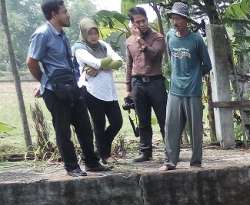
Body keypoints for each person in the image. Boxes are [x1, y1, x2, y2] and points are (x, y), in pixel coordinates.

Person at [26, 0, 109, 177]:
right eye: (64, 11)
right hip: (55, 91)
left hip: (71, 86)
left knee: (85, 127)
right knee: (63, 130)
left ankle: (92, 163)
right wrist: (44, 83)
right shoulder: (42, 34)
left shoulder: (62, 34)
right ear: (54, 14)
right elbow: (31, 62)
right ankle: (71, 167)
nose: (68, 14)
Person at [161, 2, 211, 171]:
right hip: (175, 89)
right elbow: (171, 59)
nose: (176, 21)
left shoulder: (196, 39)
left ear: (186, 20)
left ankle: (196, 162)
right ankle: (170, 161)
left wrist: (195, 76)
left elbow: (207, 64)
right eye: (174, 18)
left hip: (193, 90)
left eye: (180, 18)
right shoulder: (169, 37)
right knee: (170, 126)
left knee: (195, 128)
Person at [72, 18, 123, 164]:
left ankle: (100, 148)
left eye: (95, 33)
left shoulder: (103, 45)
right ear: (84, 33)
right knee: (99, 124)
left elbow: (119, 62)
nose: (94, 36)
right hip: (91, 91)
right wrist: (103, 63)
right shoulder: (79, 48)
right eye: (90, 33)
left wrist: (99, 67)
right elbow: (97, 62)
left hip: (109, 91)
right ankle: (105, 155)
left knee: (117, 122)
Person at [125, 6, 167, 163]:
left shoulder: (158, 37)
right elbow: (129, 65)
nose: (142, 24)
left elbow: (155, 54)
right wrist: (128, 88)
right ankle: (145, 152)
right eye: (138, 22)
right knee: (142, 120)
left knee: (163, 119)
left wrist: (140, 40)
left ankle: (170, 150)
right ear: (133, 24)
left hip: (155, 82)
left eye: (144, 20)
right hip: (138, 83)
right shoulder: (129, 42)